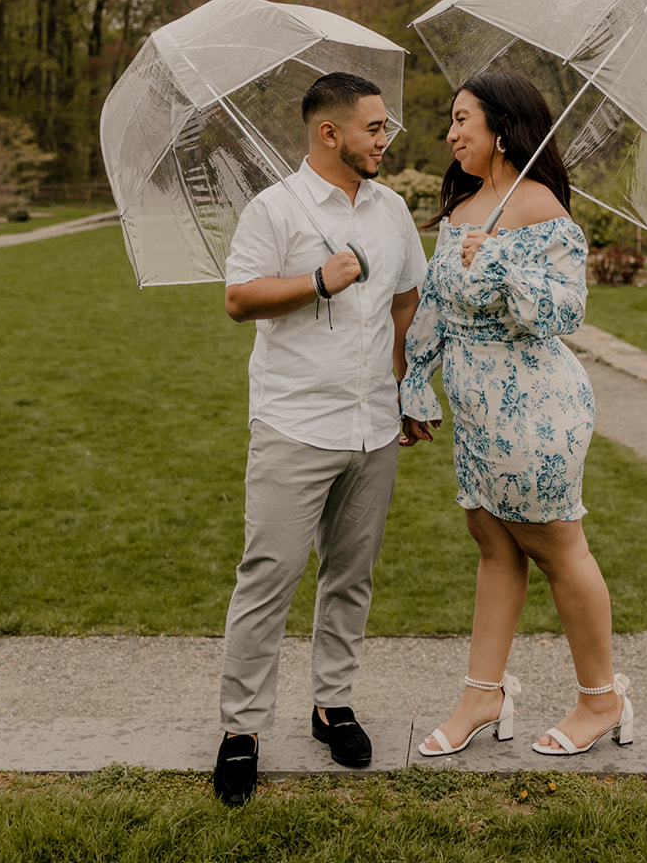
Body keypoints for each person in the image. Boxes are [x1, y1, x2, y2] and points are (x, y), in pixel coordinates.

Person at [399, 70, 633, 758]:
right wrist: (416, 378)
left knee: (559, 547)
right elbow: (436, 305)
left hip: (535, 405)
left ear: (502, 129)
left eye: (461, 119)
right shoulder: (462, 209)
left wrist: (506, 271)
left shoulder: (543, 212)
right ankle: (482, 694)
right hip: (474, 411)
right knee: (493, 545)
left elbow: (564, 313)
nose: (450, 133)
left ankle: (601, 699)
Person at [214, 71, 427, 806]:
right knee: (268, 575)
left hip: (371, 427)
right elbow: (240, 298)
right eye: (374, 128)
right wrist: (318, 279)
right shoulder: (274, 209)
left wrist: (406, 389)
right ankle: (241, 730)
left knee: (351, 575)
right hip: (293, 424)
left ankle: (332, 705)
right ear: (328, 134)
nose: (385, 139)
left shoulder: (392, 209)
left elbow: (405, 299)